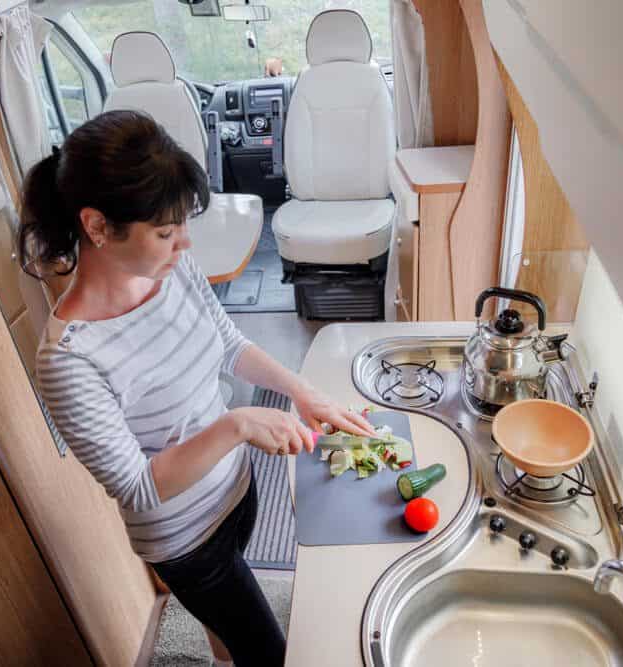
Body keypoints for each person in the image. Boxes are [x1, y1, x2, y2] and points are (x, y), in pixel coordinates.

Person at [18, 110, 374, 667]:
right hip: (185, 538)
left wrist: (301, 389)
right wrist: (236, 425)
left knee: (228, 623)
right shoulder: (69, 360)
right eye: (165, 231)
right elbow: (138, 487)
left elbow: (229, 343)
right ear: (96, 227)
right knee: (269, 652)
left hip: (235, 489)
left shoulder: (171, 269)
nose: (184, 242)